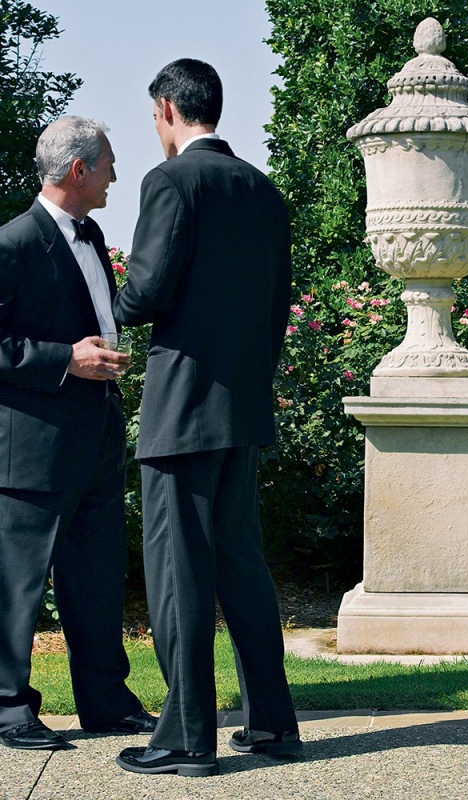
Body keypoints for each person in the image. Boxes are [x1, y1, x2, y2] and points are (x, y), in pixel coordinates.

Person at [112, 59, 297, 777]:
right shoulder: (262, 188)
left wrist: (112, 311)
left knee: (179, 572)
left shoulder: (171, 181)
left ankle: (187, 739)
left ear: (165, 109)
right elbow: (277, 303)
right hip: (241, 408)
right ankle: (273, 725)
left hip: (181, 409)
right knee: (242, 567)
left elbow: (150, 286)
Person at [0, 117, 157, 750]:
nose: (117, 174)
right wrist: (65, 358)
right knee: (17, 583)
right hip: (32, 448)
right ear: (78, 170)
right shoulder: (11, 243)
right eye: (110, 164)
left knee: (96, 577)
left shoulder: (90, 234)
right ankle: (9, 707)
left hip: (96, 436)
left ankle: (106, 702)